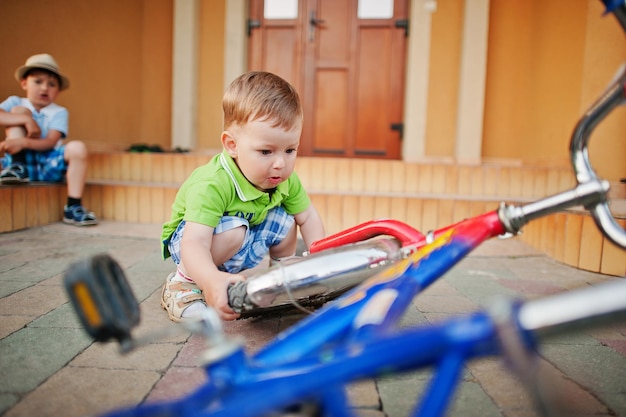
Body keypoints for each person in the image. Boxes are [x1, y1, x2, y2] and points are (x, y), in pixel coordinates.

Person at [161, 71, 325, 321]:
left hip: (240, 242)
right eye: (266, 151)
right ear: (232, 145)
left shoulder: (285, 180)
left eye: (290, 149)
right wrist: (212, 281)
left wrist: (319, 260)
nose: (280, 163)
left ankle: (280, 277)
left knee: (289, 217)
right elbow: (194, 242)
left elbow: (309, 216)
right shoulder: (213, 182)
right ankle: (183, 284)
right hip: (193, 245)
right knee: (234, 229)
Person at [0, 53, 97, 226]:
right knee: (19, 111)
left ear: (58, 91)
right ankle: (17, 166)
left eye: (51, 84)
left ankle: (73, 206)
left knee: (77, 147)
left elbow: (50, 142)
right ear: (24, 83)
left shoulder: (59, 112)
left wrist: (22, 142)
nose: (44, 88)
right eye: (38, 81)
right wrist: (26, 120)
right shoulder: (16, 101)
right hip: (16, 164)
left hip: (47, 164)